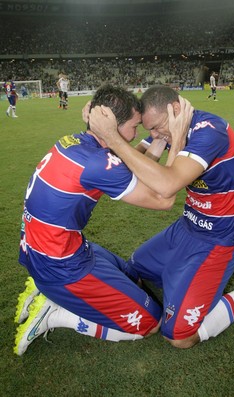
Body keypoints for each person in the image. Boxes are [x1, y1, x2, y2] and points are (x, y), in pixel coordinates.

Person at [87, 85, 234, 349]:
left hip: (218, 240)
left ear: (176, 109)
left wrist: (114, 138)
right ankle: (199, 277)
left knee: (179, 336)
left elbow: (167, 186)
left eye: (157, 127)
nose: (155, 134)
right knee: (134, 270)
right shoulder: (167, 130)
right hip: (187, 226)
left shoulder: (210, 132)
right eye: (150, 131)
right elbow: (128, 163)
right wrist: (101, 127)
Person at [13, 84, 193, 356]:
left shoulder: (74, 142)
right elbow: (163, 198)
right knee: (150, 322)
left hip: (53, 248)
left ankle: (43, 289)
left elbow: (131, 167)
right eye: (134, 127)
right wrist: (176, 139)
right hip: (61, 266)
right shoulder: (98, 164)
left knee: (136, 279)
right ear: (113, 126)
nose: (136, 134)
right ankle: (54, 314)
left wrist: (159, 139)